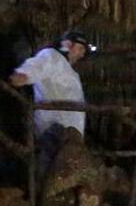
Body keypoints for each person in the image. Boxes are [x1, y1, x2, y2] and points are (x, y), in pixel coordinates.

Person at [10, 31, 94, 172]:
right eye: (80, 49)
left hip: (70, 135)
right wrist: (23, 75)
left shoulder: (70, 71)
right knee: (50, 170)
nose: (82, 55)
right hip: (55, 131)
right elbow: (38, 66)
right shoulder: (51, 56)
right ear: (67, 45)